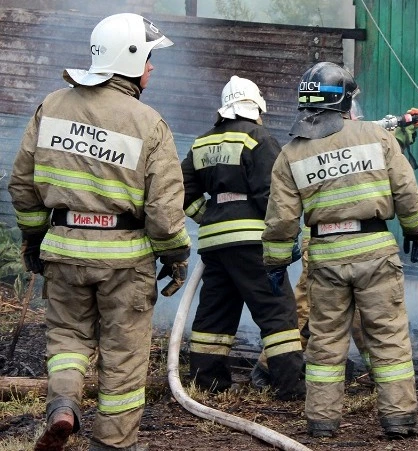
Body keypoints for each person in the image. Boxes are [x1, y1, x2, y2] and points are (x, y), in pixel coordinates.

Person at [8, 13, 190, 451]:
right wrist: (175, 256)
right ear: (129, 58)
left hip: (64, 251)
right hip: (125, 262)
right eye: (148, 58)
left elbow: (23, 185)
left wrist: (34, 238)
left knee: (67, 340)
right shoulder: (149, 123)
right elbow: (164, 210)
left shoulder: (51, 106)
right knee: (123, 354)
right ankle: (112, 443)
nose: (152, 67)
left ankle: (63, 405)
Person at [262, 62, 418, 439]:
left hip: (325, 257)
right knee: (387, 336)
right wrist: (417, 230)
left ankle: (321, 421)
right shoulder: (377, 136)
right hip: (375, 251)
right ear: (343, 101)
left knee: (325, 342)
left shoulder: (291, 153)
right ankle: (399, 418)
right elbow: (406, 191)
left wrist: (275, 262)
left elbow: (281, 219)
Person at [181, 75, 305, 400]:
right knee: (276, 311)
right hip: (253, 242)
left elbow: (182, 188)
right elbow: (272, 195)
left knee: (215, 313)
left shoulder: (202, 142)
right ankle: (290, 387)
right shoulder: (258, 138)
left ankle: (207, 383)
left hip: (214, 244)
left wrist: (209, 215)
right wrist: (286, 235)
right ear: (256, 107)